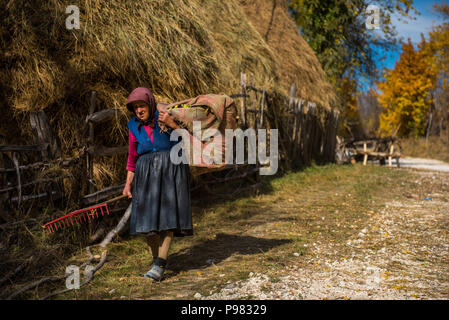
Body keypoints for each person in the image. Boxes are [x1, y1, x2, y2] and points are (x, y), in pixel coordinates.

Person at [122, 87, 193, 281]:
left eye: (142, 105)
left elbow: (187, 139)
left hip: (171, 170)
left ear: (150, 104)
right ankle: (157, 261)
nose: (139, 110)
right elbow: (131, 158)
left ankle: (160, 264)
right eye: (135, 107)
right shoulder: (132, 126)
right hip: (146, 174)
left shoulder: (165, 117)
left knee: (168, 217)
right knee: (147, 222)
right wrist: (128, 184)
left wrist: (171, 123)